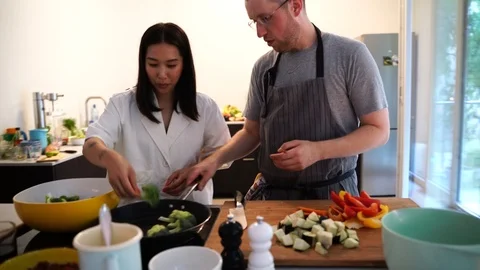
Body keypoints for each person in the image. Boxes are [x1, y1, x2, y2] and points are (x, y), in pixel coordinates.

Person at [163, 0, 390, 200]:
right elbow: (252, 132)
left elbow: (378, 130)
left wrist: (318, 151)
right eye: (254, 21)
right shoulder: (264, 68)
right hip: (274, 197)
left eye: (266, 18)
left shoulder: (349, 55)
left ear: (296, 5)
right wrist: (212, 161)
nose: (260, 32)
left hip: (332, 197)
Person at [83, 22, 231, 206]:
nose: (162, 74)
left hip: (191, 207)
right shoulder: (121, 104)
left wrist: (198, 168)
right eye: (153, 64)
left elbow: (224, 153)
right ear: (143, 63)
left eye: (171, 65)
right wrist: (108, 157)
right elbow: (91, 143)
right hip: (133, 213)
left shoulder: (205, 106)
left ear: (184, 64)